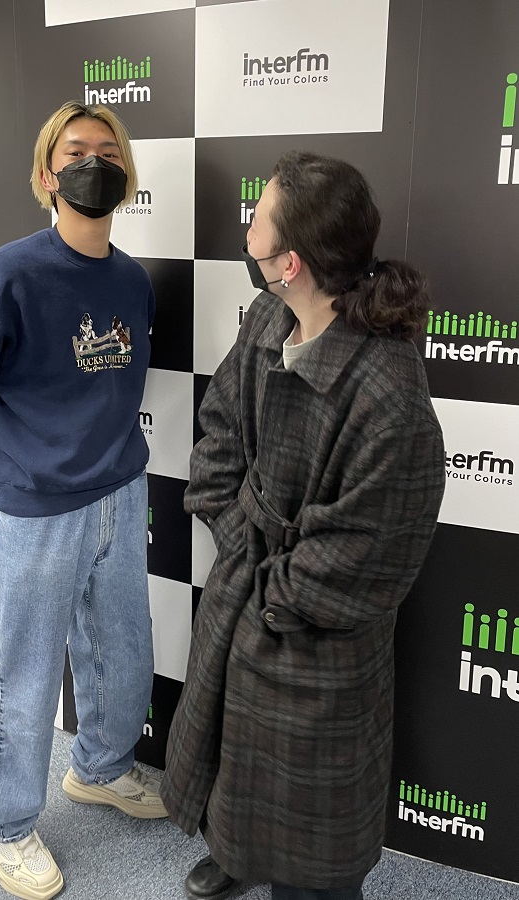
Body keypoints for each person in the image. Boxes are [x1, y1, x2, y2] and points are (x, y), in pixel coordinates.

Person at [160, 151, 446, 900]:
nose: (245, 230)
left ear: (289, 263)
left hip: (315, 641)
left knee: (313, 849)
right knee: (234, 761)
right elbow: (220, 433)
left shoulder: (389, 398)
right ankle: (235, 848)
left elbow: (370, 556)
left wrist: (271, 595)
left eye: (257, 219)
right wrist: (237, 541)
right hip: (246, 592)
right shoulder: (268, 315)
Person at [0, 100, 167, 900]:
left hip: (119, 493)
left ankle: (100, 768)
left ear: (126, 175)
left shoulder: (131, 280)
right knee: (21, 674)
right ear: (45, 174)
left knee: (121, 650)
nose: (93, 162)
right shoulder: (6, 275)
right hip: (37, 509)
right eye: (74, 151)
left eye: (108, 150)